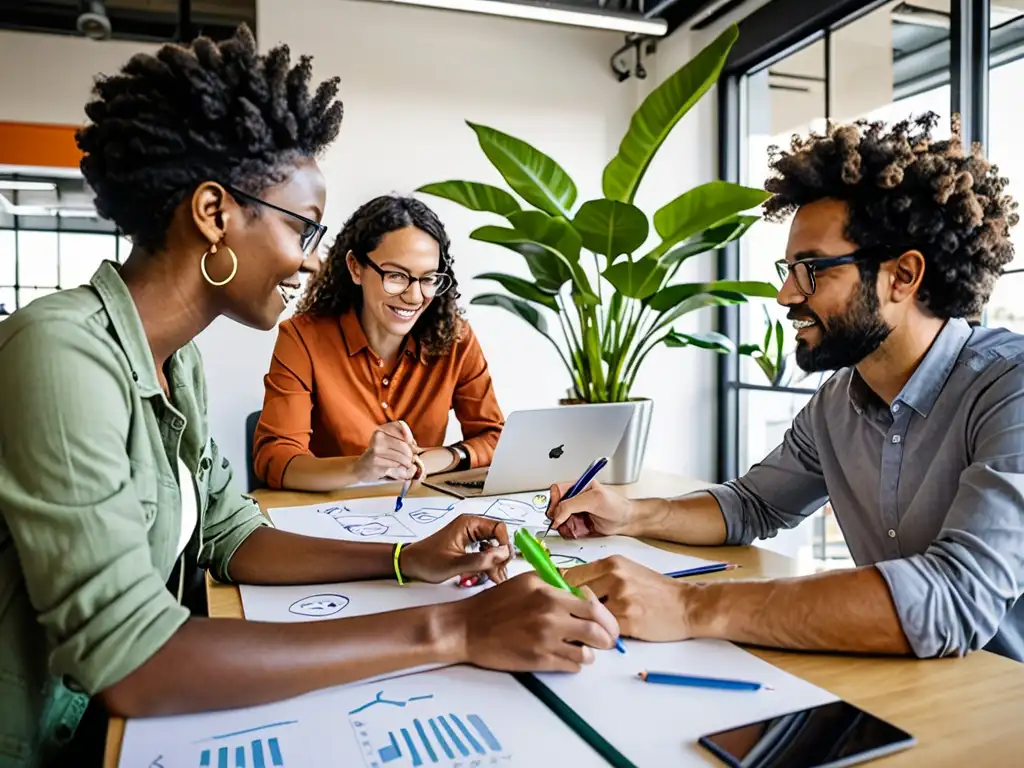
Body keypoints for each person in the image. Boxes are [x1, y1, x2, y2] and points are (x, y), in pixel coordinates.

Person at [0, 28, 618, 768]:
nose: (314, 256)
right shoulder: (61, 350)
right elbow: (130, 662)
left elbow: (234, 539)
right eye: (304, 226)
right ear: (213, 212)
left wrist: (407, 559)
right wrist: (452, 630)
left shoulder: (177, 362)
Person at [545, 113, 1024, 662]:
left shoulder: (1010, 388)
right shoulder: (837, 402)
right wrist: (632, 514)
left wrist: (689, 607)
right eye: (789, 268)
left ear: (904, 276)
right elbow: (751, 505)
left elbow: (955, 598)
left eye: (812, 270)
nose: (784, 294)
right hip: (912, 685)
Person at [252, 194, 504, 492]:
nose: (414, 297)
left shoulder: (456, 339)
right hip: (330, 518)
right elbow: (275, 459)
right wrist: (361, 467)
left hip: (419, 512)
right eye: (396, 276)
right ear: (356, 268)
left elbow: (494, 437)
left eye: (428, 279)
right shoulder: (302, 338)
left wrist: (443, 457)